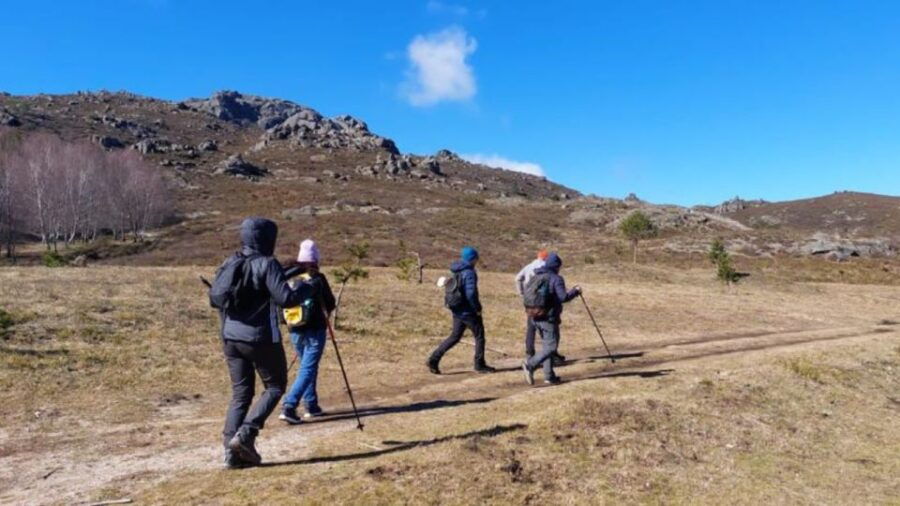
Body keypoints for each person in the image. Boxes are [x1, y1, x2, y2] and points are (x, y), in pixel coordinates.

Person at [218, 217, 313, 469]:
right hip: (260, 337)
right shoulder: (268, 263)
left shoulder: (231, 261)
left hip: (230, 337)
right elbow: (286, 299)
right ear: (268, 239)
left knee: (241, 394)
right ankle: (246, 434)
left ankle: (230, 453)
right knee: (275, 386)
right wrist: (307, 287)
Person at [279, 239, 336, 425]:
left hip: (294, 327)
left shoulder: (288, 277)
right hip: (315, 328)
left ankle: (311, 405)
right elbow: (330, 302)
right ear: (315, 259)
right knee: (308, 367)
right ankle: (289, 405)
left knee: (307, 366)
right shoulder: (317, 278)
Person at [426, 246, 496, 374]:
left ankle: (434, 359)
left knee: (455, 337)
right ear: (472, 259)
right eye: (476, 258)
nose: (477, 261)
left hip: (457, 309)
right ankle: (479, 364)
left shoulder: (456, 270)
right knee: (479, 336)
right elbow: (471, 293)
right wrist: (477, 308)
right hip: (468, 310)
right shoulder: (469, 272)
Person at [522, 252, 581, 386]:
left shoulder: (536, 276)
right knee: (551, 346)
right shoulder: (556, 278)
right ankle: (530, 365)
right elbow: (563, 297)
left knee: (546, 345)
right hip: (548, 317)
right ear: (556, 266)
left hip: (534, 315)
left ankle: (549, 376)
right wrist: (575, 291)